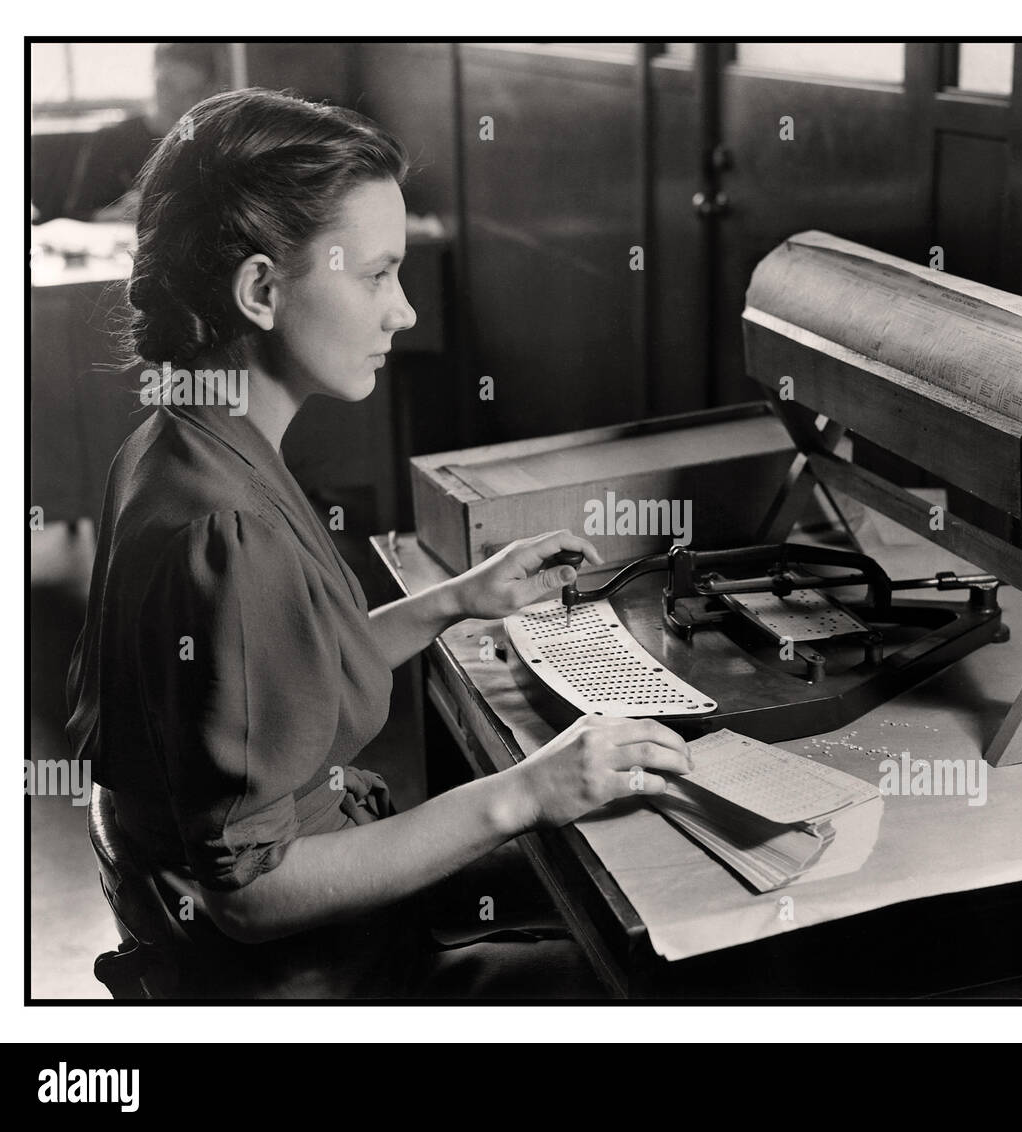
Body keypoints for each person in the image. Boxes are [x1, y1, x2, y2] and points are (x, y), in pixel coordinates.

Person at [65, 88, 692, 999]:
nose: (402, 312)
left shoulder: (177, 442)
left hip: (284, 923)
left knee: (625, 863)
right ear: (262, 290)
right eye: (375, 275)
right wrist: (525, 791)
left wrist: (454, 599)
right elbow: (254, 893)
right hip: (302, 970)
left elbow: (270, 668)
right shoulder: (227, 530)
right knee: (658, 979)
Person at [61, 43, 224, 222]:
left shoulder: (213, 142)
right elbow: (77, 214)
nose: (172, 100)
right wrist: (120, 213)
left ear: (208, 91)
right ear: (153, 77)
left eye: (190, 92)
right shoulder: (110, 139)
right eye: (167, 86)